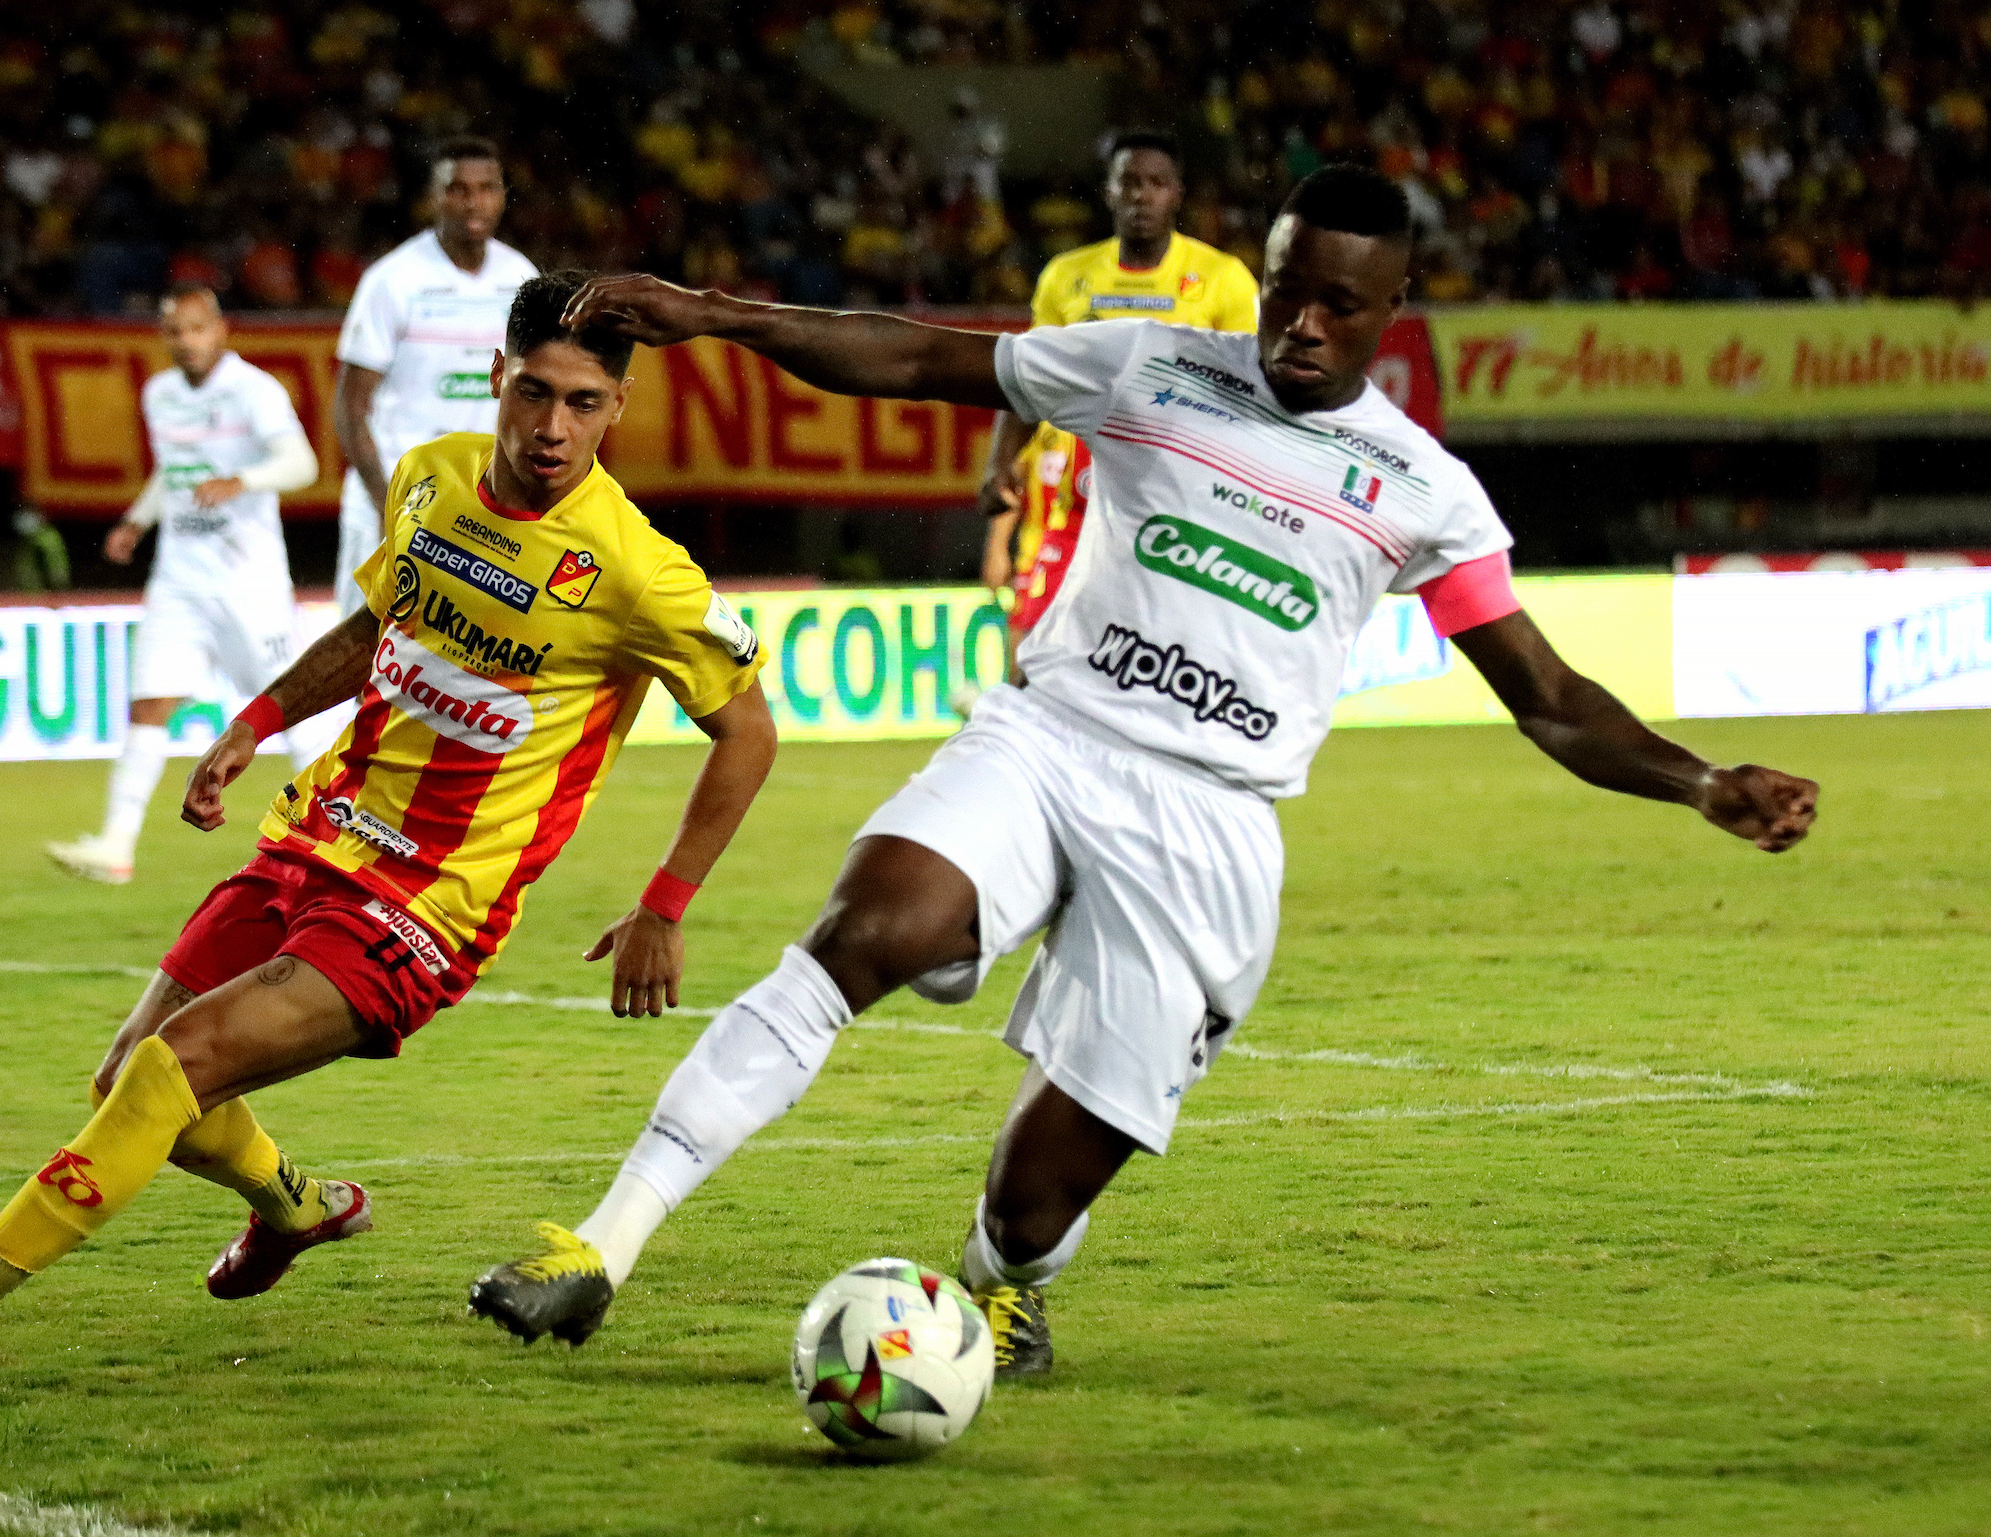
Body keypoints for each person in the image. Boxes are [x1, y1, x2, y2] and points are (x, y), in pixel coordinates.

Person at [466, 167, 1819, 1375]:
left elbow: (1550, 699)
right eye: (1287, 289)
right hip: (1052, 739)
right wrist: (715, 315)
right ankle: (599, 1247)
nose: (1301, 324)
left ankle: (1002, 1285)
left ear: (1393, 310)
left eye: (1340, 307)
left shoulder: (1423, 488)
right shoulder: (1148, 364)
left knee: (1035, 1202)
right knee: (863, 931)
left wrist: (1701, 781)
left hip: (1210, 825)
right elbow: (915, 357)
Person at [0, 272, 777, 1368]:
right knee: (126, 1078)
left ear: (618, 408)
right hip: (314, 837)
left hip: (423, 908)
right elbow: (377, 624)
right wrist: (258, 718)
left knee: (172, 1068)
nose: (552, 427)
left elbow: (748, 733)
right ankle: (296, 1206)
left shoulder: (636, 570)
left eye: (582, 402)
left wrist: (664, 904)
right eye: (533, 392)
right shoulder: (430, 479)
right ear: (495, 379)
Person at [45, 285, 338, 885]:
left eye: (197, 329)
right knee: (150, 702)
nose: (187, 341)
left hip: (247, 579)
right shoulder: (160, 394)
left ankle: (337, 833)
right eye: (176, 331)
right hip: (180, 576)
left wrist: (241, 480)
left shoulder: (254, 390)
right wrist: (137, 520)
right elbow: (172, 471)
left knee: (292, 708)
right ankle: (116, 846)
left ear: (221, 330)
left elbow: (302, 464)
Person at [980, 132, 1258, 640]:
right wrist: (1000, 462)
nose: (1141, 195)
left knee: (1165, 654)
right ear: (1108, 191)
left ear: (1177, 194)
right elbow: (1029, 377)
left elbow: (1253, 397)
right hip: (1078, 503)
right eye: (1129, 182)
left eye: (1156, 183)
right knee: (1032, 653)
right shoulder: (1066, 276)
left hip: (1179, 506)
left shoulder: (1224, 278)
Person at [332, 137, 539, 617]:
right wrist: (386, 504)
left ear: (503, 196)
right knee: (366, 641)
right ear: (433, 197)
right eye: (457, 189)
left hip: (481, 507)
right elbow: (349, 409)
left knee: (470, 642)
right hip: (397, 496)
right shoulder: (393, 280)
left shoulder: (521, 277)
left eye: (486, 188)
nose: (473, 202)